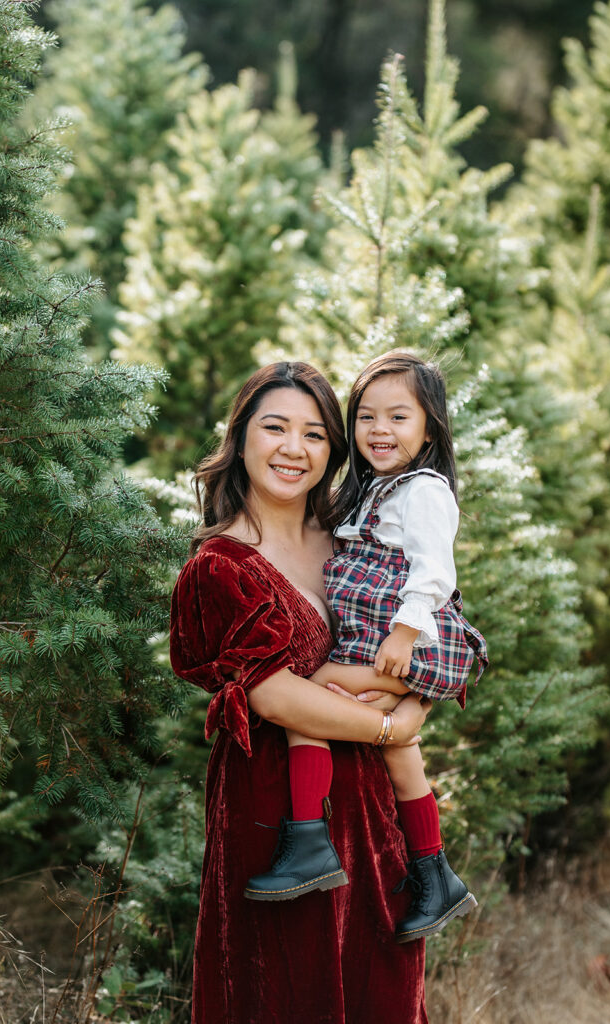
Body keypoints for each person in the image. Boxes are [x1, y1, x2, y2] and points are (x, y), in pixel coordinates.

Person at [170, 361, 432, 1024]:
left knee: (380, 989)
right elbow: (273, 697)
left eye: (314, 434)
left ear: (332, 451)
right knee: (284, 989)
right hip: (276, 814)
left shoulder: (355, 543)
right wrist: (389, 729)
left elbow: (429, 636)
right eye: (275, 427)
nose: (294, 448)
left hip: (373, 811)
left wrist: (413, 704)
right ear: (241, 438)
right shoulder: (218, 565)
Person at [244, 352, 487, 945]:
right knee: (401, 753)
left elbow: (434, 574)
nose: (380, 430)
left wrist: (403, 639)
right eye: (366, 417)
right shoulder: (375, 491)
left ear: (430, 427)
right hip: (381, 642)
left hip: (405, 637)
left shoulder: (423, 491)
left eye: (399, 417)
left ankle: (307, 838)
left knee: (311, 690)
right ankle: (434, 870)